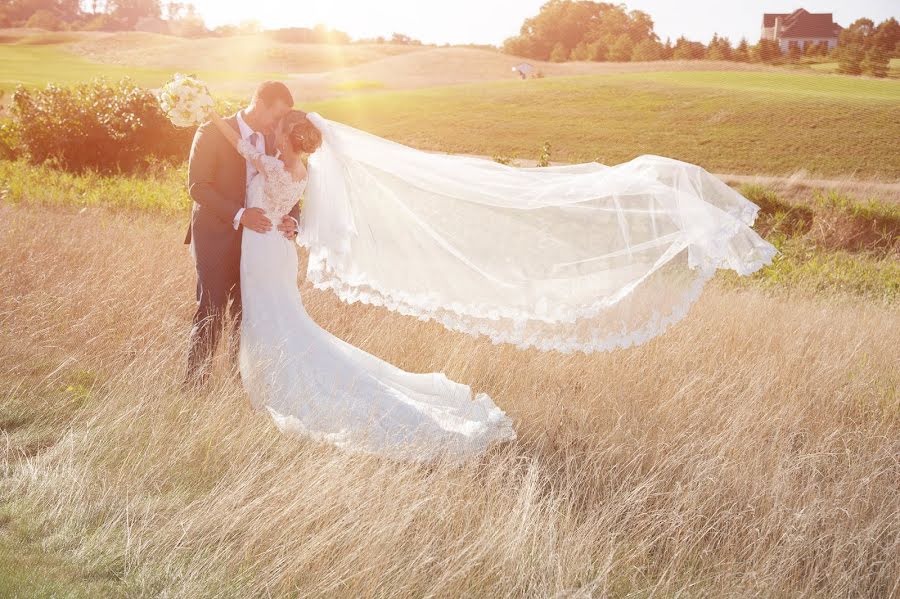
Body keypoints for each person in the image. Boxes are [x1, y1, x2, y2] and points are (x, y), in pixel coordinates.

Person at [183, 81, 298, 387]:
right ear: (259, 104)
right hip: (216, 235)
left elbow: (291, 184)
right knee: (211, 305)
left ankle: (241, 382)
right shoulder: (211, 132)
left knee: (247, 312)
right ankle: (195, 383)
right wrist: (240, 214)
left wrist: (292, 220)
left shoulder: (278, 141)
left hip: (261, 244)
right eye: (276, 115)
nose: (279, 124)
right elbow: (198, 186)